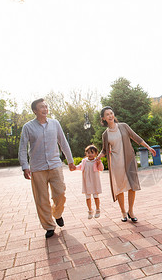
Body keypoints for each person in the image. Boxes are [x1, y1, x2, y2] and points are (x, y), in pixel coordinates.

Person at [18, 98, 76, 239]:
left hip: (55, 165)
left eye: (46, 106)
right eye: (41, 107)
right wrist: (25, 167)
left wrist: (70, 161)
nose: (45, 109)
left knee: (60, 194)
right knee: (41, 199)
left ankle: (57, 213)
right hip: (37, 168)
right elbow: (22, 148)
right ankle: (49, 226)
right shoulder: (28, 127)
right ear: (35, 111)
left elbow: (63, 142)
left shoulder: (55, 123)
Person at [98, 106, 156, 223]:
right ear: (103, 118)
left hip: (129, 161)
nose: (110, 115)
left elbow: (136, 137)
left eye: (111, 113)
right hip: (116, 164)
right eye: (107, 114)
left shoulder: (124, 126)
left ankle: (131, 211)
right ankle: (123, 212)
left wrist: (148, 147)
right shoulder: (105, 134)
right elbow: (104, 150)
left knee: (132, 186)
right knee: (119, 189)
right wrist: (97, 158)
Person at [76, 145, 104, 219]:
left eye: (92, 153)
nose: (90, 154)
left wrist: (99, 162)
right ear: (86, 153)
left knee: (95, 196)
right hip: (87, 182)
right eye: (88, 152)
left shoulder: (96, 161)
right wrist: (74, 168)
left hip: (95, 182)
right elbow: (80, 166)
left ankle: (97, 209)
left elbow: (101, 169)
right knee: (87, 197)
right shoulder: (84, 161)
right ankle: (90, 210)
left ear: (96, 154)